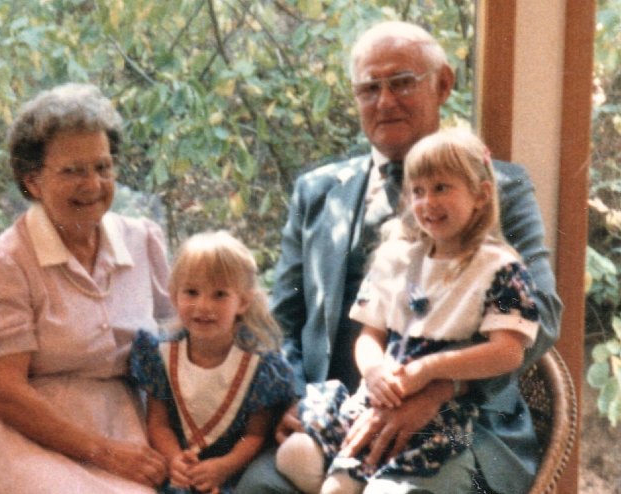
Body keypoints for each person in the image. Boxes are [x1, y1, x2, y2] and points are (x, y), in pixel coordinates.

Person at [237, 21, 562, 494]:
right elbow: (281, 320)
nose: (385, 101)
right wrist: (294, 400)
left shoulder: (500, 188)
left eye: (403, 82)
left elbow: (545, 313)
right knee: (257, 486)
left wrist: (436, 388)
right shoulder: (317, 191)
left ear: (444, 84)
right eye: (369, 88)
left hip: (460, 422)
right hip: (338, 417)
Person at [0, 83, 175, 493]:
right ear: (33, 181)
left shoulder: (141, 241)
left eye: (102, 167)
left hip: (126, 420)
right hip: (20, 434)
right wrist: (105, 453)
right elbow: (7, 394)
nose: (92, 184)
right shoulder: (5, 262)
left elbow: (182, 340)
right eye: (73, 170)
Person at [276, 128, 541, 493]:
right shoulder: (395, 258)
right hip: (383, 394)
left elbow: (508, 351)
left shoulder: (503, 269)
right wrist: (373, 371)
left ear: (480, 195)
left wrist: (431, 368)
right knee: (302, 462)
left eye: (442, 188)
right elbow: (370, 333)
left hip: (443, 413)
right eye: (418, 191)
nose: (427, 202)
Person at [129, 231, 296, 493]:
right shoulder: (160, 354)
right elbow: (158, 424)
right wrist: (175, 459)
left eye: (219, 295)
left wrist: (224, 466)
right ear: (174, 297)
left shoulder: (260, 367)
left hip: (229, 472)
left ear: (242, 301)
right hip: (180, 470)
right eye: (192, 292)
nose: (203, 306)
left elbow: (254, 435)